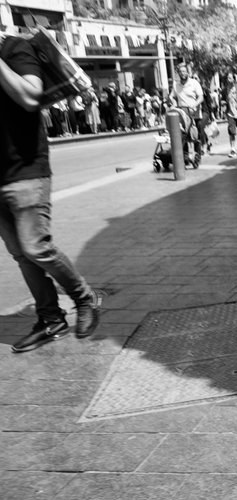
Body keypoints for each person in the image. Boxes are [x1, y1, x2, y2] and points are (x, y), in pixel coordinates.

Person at [0, 30, 101, 352]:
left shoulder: (15, 48)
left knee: (35, 248)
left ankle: (85, 298)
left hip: (25, 167)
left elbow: (31, 97)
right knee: (21, 254)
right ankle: (50, 319)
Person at [172, 63, 204, 164]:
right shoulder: (176, 85)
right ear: (178, 73)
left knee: (195, 136)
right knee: (183, 136)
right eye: (180, 72)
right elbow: (171, 96)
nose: (183, 73)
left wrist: (194, 105)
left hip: (194, 113)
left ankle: (197, 156)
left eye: (184, 71)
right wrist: (172, 103)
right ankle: (185, 157)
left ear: (187, 72)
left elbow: (201, 97)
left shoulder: (194, 83)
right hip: (182, 114)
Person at [223, 72, 237, 158]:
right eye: (227, 78)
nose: (228, 80)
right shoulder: (225, 89)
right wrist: (223, 103)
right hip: (230, 113)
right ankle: (233, 149)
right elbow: (223, 100)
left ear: (234, 79)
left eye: (230, 78)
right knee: (231, 132)